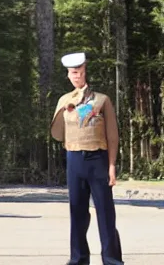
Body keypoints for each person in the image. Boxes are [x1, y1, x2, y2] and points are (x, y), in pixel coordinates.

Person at [51, 52, 123, 265]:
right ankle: (78, 258)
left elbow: (112, 135)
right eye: (73, 73)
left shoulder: (102, 100)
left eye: (80, 72)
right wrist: (67, 108)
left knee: (105, 213)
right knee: (77, 213)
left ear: (85, 72)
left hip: (97, 159)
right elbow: (57, 133)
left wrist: (111, 166)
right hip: (74, 159)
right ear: (68, 75)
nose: (77, 77)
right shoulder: (64, 100)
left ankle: (112, 259)